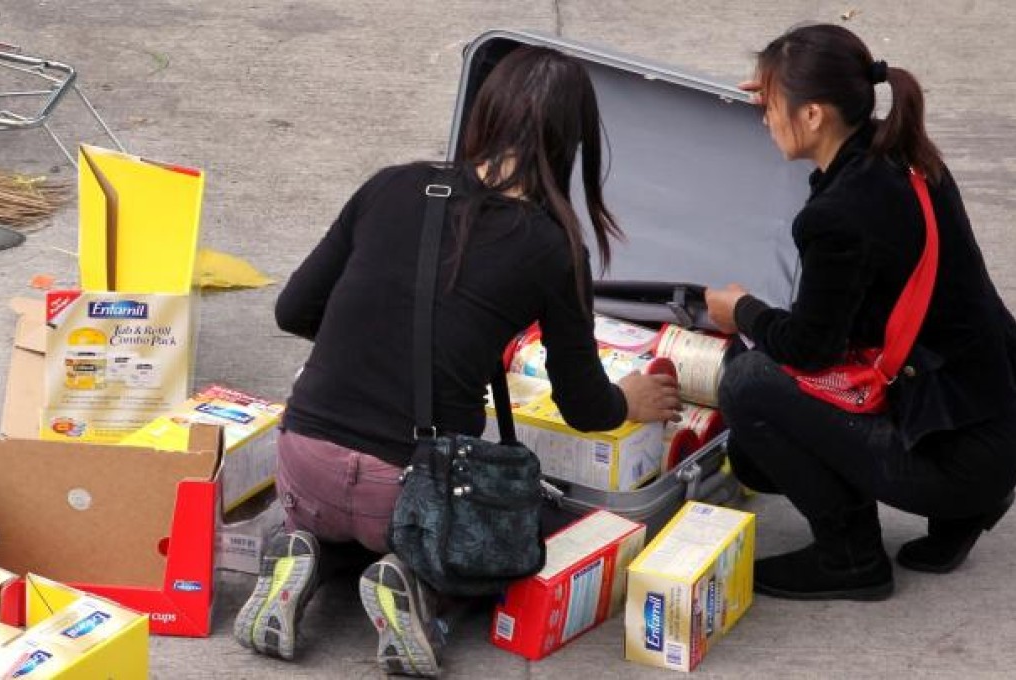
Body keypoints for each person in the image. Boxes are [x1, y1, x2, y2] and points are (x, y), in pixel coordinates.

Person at [233, 45, 681, 673]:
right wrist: (628, 399)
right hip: (410, 494)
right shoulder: (552, 247)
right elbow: (584, 407)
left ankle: (300, 551)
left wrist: (371, 351)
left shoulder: (392, 183)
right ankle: (420, 586)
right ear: (572, 142)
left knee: (348, 509)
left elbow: (292, 312)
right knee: (500, 544)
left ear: (483, 114)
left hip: (304, 464)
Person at [705, 23, 1016, 601]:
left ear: (816, 115)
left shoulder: (837, 217)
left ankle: (850, 558)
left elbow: (808, 348)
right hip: (991, 413)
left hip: (960, 455)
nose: (763, 116)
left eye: (771, 104)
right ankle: (966, 510)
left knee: (747, 385)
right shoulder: (903, 154)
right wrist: (787, 91)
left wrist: (741, 310)